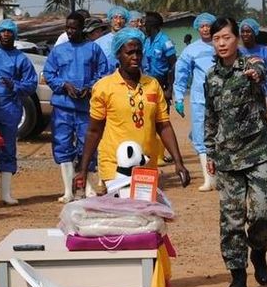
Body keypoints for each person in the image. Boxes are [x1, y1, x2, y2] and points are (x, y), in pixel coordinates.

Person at [204, 17, 267, 287]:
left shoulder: (251, 65)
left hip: (259, 152)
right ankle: (237, 275)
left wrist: (256, 75)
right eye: (216, 39)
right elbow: (210, 118)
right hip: (227, 158)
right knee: (231, 220)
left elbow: (260, 70)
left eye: (226, 37)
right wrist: (210, 151)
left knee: (263, 212)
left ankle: (258, 251)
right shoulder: (211, 78)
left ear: (236, 39)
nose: (222, 43)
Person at [75, 27, 190, 190]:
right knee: (121, 210)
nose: (135, 57)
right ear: (118, 55)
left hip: (146, 166)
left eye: (138, 52)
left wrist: (179, 163)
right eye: (129, 53)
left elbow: (163, 125)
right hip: (115, 166)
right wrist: (83, 169)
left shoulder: (152, 85)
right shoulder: (104, 87)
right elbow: (94, 131)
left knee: (143, 213)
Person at [43, 12, 108, 202]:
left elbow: (103, 73)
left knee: (86, 145)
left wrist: (90, 88)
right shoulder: (58, 50)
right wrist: (64, 85)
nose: (70, 31)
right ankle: (67, 190)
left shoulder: (93, 49)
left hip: (86, 107)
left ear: (82, 28)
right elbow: (49, 73)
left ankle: (88, 186)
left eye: (74, 28)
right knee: (62, 145)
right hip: (63, 106)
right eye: (68, 28)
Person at [0, 20, 38, 205]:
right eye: (2, 31)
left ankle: (6, 193)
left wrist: (15, 86)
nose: (5, 34)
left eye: (9, 32)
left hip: (10, 109)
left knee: (7, 148)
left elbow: (31, 84)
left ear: (15, 35)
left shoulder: (21, 59)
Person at [173, 12, 216, 191]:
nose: (205, 28)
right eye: (202, 25)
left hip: (222, 99)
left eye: (208, 25)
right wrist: (179, 97)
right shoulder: (191, 50)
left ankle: (221, 176)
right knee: (200, 136)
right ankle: (208, 178)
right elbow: (181, 74)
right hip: (199, 99)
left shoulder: (221, 44)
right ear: (198, 28)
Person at [143, 12, 177, 165]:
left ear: (154, 25)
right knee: (146, 119)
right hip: (146, 84)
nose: (144, 26)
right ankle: (150, 152)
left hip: (161, 84)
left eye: (146, 24)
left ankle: (161, 155)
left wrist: (169, 89)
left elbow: (173, 66)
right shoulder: (146, 41)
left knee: (161, 120)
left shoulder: (165, 41)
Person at [239, 18, 267, 113]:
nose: (245, 34)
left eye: (248, 31)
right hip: (239, 96)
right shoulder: (236, 52)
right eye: (243, 31)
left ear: (254, 33)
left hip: (258, 97)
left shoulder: (264, 51)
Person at [95, 6, 129, 70]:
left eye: (122, 18)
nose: (118, 21)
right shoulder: (99, 42)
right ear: (110, 20)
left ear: (126, 21)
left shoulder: (131, 40)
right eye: (115, 18)